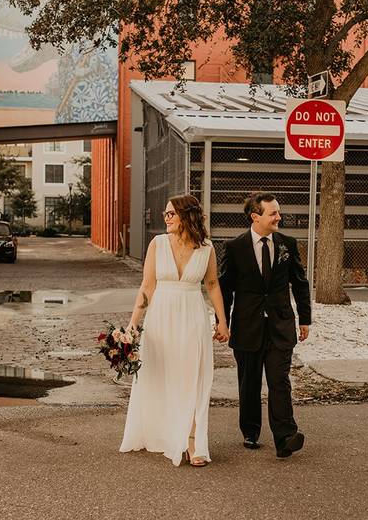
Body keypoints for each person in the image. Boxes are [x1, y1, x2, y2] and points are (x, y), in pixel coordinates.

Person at [120, 194, 230, 467]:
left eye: (171, 214)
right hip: (161, 317)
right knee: (160, 374)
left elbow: (213, 285)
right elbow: (147, 287)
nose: (166, 218)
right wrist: (133, 325)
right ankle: (166, 433)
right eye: (165, 213)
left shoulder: (206, 248)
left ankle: (193, 442)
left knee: (193, 376)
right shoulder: (157, 244)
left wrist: (222, 321)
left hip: (193, 316)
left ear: (187, 216)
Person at [219, 191, 311, 459]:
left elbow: (300, 283)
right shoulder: (235, 247)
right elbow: (225, 289)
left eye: (278, 212)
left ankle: (285, 436)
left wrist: (304, 318)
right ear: (255, 216)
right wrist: (221, 322)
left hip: (280, 326)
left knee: (279, 380)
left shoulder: (288, 244)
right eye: (273, 213)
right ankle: (250, 431)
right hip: (247, 326)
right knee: (249, 382)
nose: (279, 217)